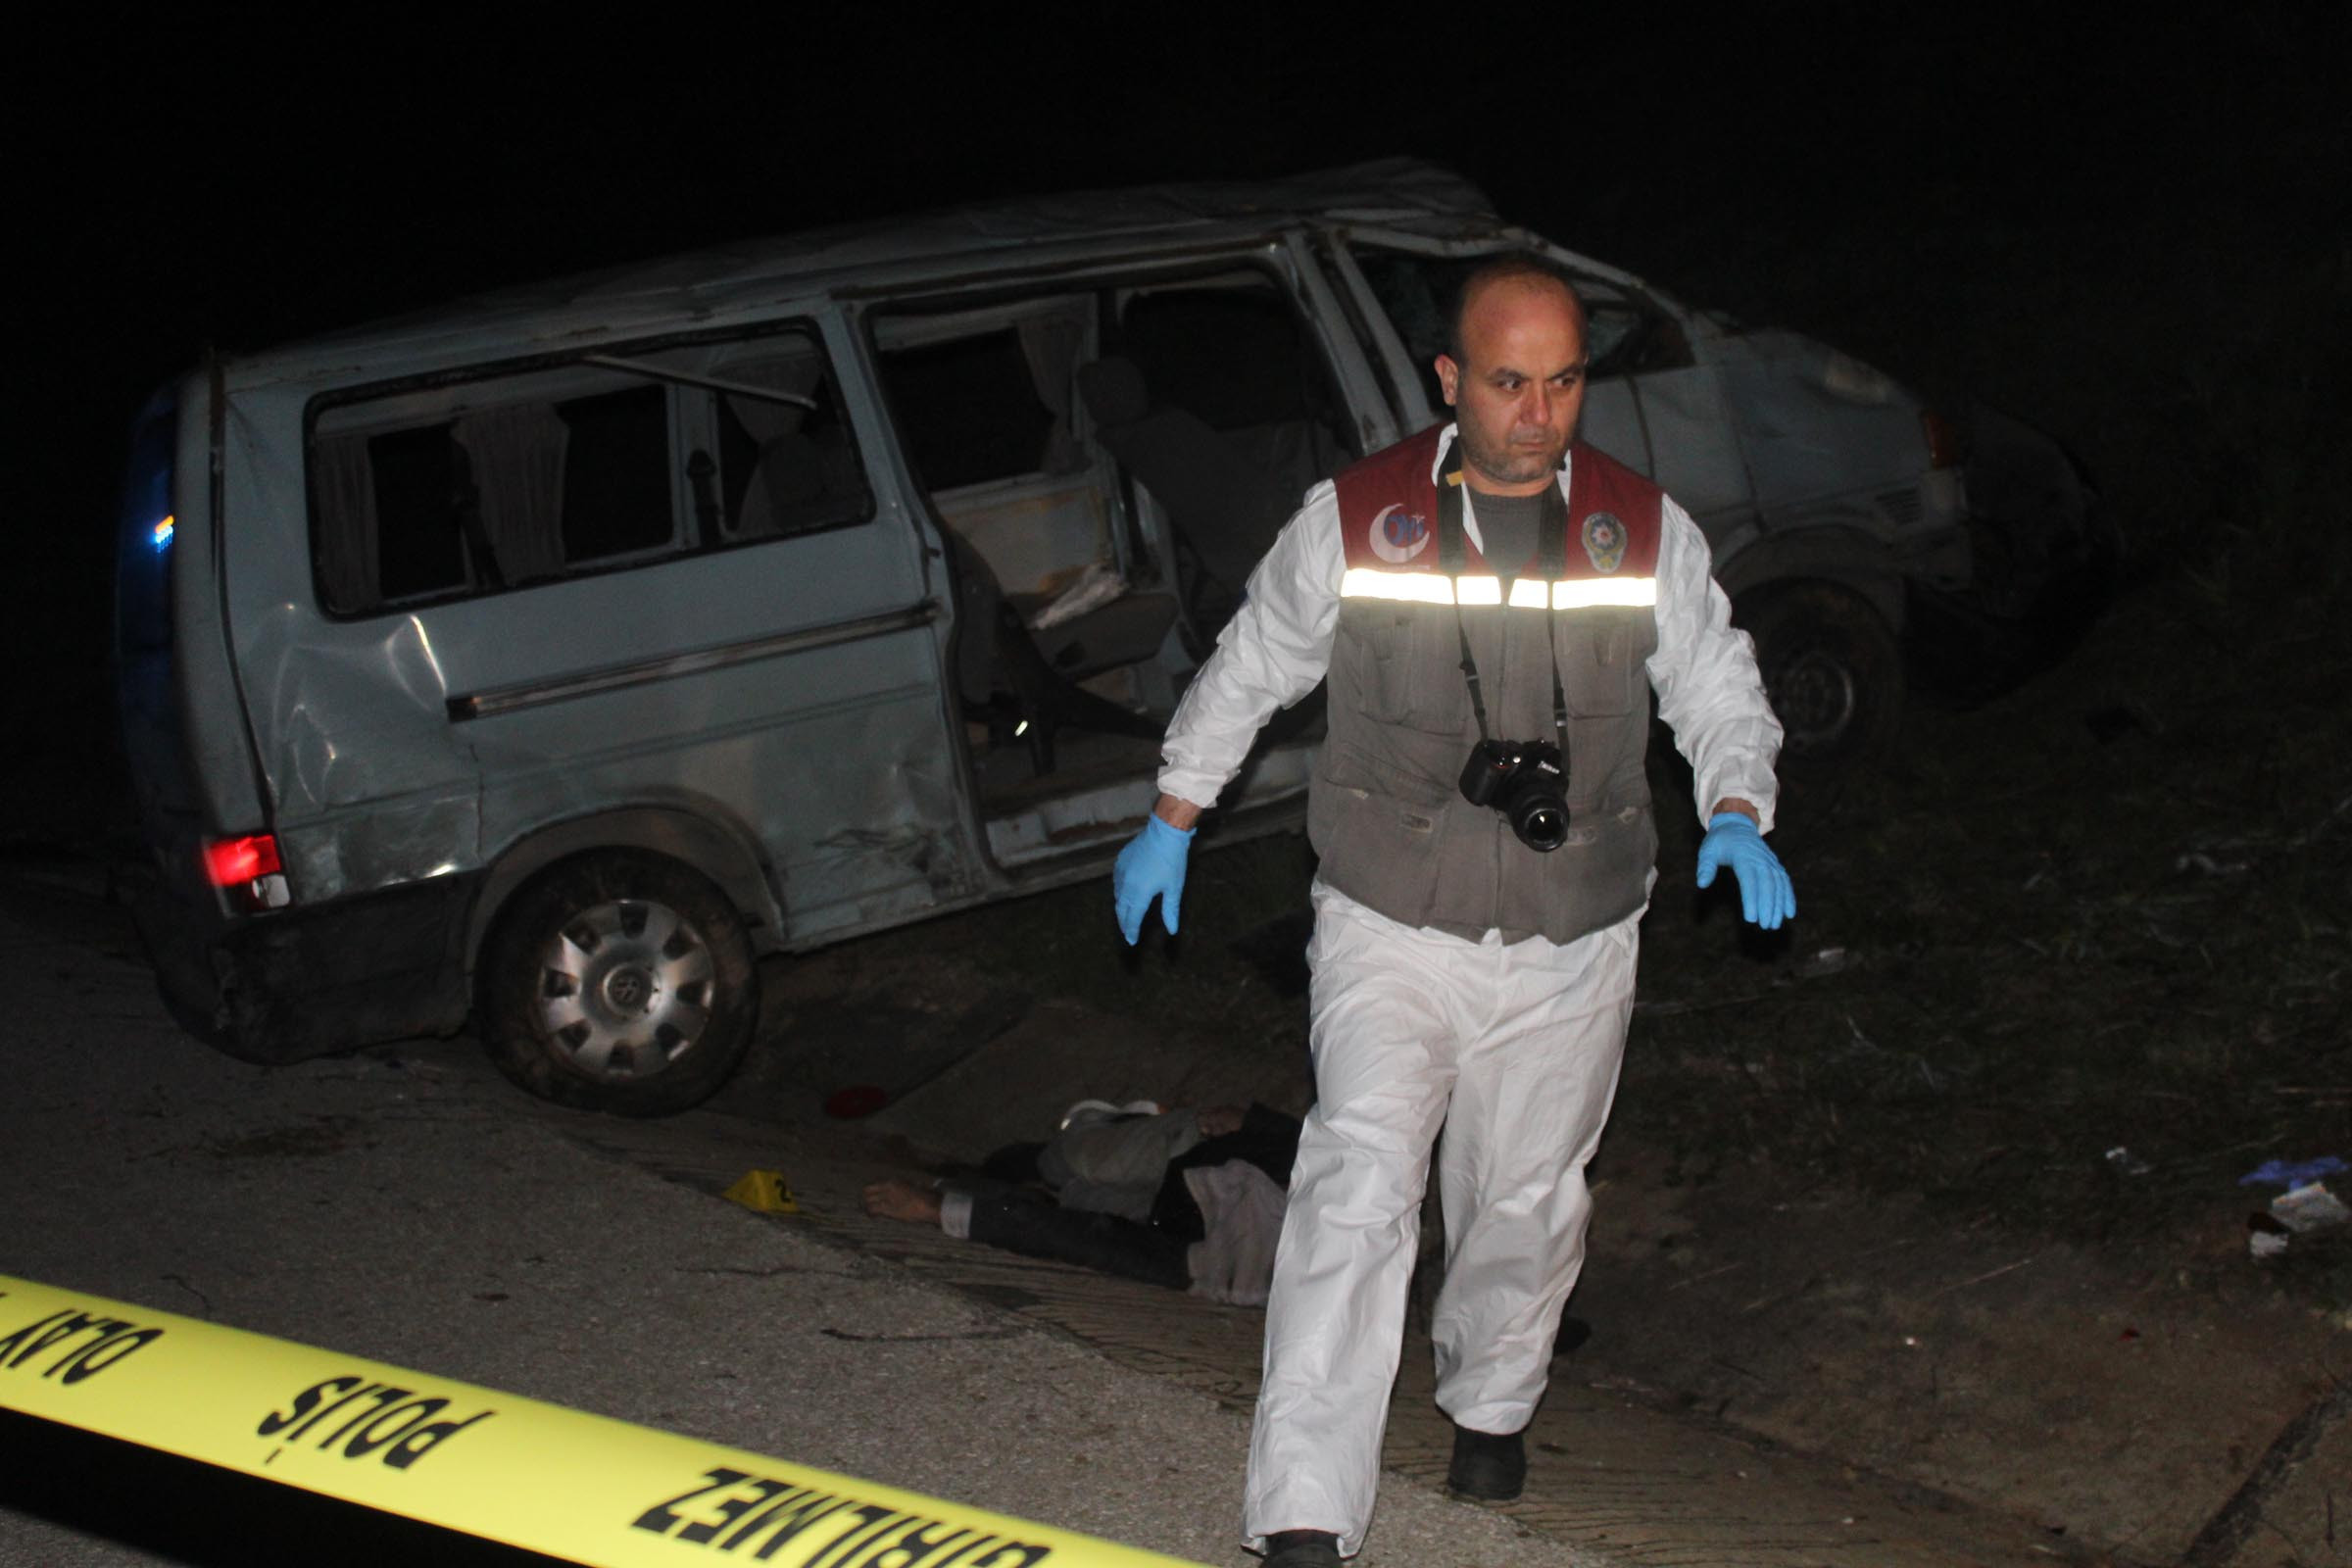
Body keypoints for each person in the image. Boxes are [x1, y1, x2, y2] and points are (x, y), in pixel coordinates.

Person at [1107, 254, 1793, 1567]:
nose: (1537, 414)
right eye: (1508, 383)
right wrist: (1172, 815)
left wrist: (1737, 808)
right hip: (1390, 920)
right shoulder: (1359, 520)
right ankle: (1304, 1508)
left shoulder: (1643, 531)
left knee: (1522, 1199)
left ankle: (1490, 1400)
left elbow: (1718, 683)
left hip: (1576, 932)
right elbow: (1253, 663)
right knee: (1356, 1184)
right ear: (1448, 380)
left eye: (1564, 383)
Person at [862, 1100, 1304, 1304]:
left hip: (1167, 1221)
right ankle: (1111, 1122)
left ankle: (985, 1184)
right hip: (1214, 1147)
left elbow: (1093, 1243)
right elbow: (1340, 1139)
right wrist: (1259, 1122)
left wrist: (940, 1211)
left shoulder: (1241, 1271)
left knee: (1075, 1198)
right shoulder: (1335, 1201)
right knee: (1071, 1158)